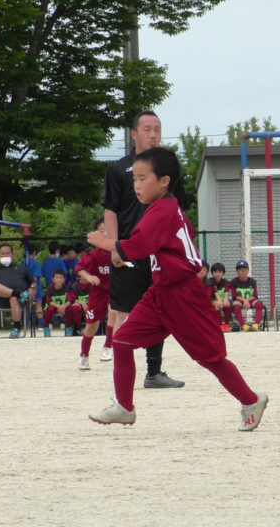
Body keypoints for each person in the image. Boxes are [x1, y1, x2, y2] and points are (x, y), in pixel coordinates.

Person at [86, 146, 267, 429]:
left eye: (142, 178)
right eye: (134, 179)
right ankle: (125, 407)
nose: (136, 185)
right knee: (121, 341)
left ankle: (251, 399)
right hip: (161, 291)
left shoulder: (162, 210)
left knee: (210, 358)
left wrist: (104, 242)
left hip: (183, 294)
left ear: (164, 181)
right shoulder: (165, 208)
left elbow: (138, 246)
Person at [102, 110, 183, 389]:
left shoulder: (168, 168)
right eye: (147, 129)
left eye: (157, 129)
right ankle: (121, 375)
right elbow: (110, 210)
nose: (153, 134)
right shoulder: (118, 170)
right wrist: (114, 247)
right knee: (123, 312)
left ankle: (154, 372)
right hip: (128, 251)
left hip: (159, 254)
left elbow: (179, 211)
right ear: (134, 134)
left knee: (160, 309)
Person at [75, 217, 115, 369]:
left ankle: (108, 346)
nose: (105, 233)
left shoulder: (118, 250)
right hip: (98, 293)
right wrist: (88, 277)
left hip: (115, 290)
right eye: (101, 230)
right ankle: (84, 355)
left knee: (114, 311)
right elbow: (79, 268)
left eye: (108, 230)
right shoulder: (95, 254)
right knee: (91, 325)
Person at [0, 243, 35, 339]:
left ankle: (16, 328)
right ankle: (20, 294)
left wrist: (32, 289)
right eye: (3, 253)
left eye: (7, 253)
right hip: (1, 300)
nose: (5, 255)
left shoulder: (21, 268)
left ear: (12, 254)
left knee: (13, 298)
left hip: (19, 301)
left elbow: (33, 282)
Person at [42, 269, 82, 338]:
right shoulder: (49, 288)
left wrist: (63, 306)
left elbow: (69, 300)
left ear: (64, 279)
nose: (59, 280)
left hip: (64, 307)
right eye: (57, 278)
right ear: (53, 279)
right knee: (50, 309)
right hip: (53, 306)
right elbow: (49, 301)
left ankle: (68, 327)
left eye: (61, 278)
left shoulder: (67, 288)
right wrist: (58, 307)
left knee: (69, 308)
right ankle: (46, 328)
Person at [229, 260, 264, 331]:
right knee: (236, 306)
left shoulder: (253, 281)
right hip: (239, 300)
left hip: (250, 300)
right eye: (240, 270)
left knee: (259, 303)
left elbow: (255, 295)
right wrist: (244, 301)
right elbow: (234, 296)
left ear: (248, 270)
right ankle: (244, 326)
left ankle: (256, 325)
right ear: (237, 271)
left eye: (245, 269)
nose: (243, 272)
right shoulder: (233, 282)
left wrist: (247, 301)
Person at [208, 262, 235, 332]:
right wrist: (218, 301)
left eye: (220, 272)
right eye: (215, 272)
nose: (218, 274)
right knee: (218, 305)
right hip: (213, 302)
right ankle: (219, 325)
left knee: (227, 304)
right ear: (212, 273)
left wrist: (225, 300)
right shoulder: (209, 281)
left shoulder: (225, 282)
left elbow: (226, 291)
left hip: (222, 301)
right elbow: (213, 293)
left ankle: (226, 325)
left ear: (223, 273)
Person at [25, 243, 44, 328]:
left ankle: (27, 323)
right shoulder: (35, 263)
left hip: (25, 286)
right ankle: (41, 324)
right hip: (36, 286)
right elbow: (35, 277)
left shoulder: (23, 262)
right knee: (38, 304)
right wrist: (33, 286)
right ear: (34, 252)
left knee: (27, 304)